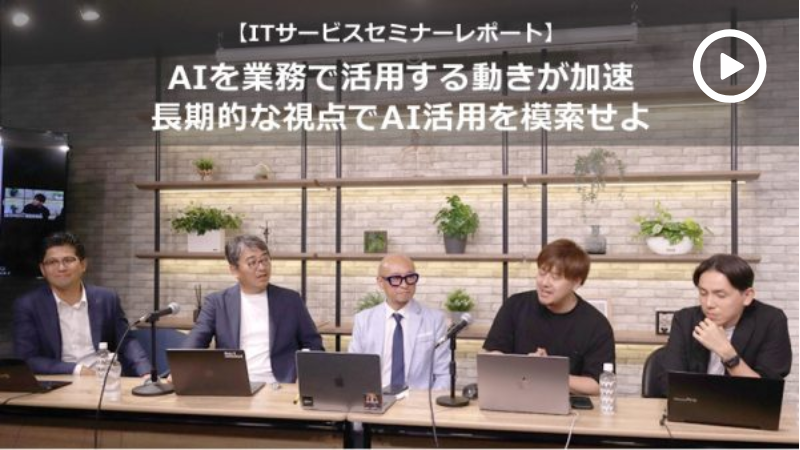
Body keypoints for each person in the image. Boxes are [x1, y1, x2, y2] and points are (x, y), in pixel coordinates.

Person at [183, 235, 323, 383]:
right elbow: (194, 344)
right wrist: (178, 370)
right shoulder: (217, 303)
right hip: (234, 385)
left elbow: (314, 345)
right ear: (234, 270)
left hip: (280, 384)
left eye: (265, 260)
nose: (262, 267)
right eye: (252, 262)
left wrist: (305, 375)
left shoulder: (291, 300)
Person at [483, 239, 614, 395]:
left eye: (555, 277)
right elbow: (489, 356)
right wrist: (525, 368)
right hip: (514, 397)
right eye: (542, 273)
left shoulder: (596, 325)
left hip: (569, 404)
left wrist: (549, 372)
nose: (544, 283)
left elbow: (597, 384)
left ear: (576, 282)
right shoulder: (515, 305)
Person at [13, 232, 151, 377]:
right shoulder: (28, 305)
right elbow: (27, 358)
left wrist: (146, 373)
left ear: (83, 265)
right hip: (61, 380)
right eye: (52, 262)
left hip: (105, 379)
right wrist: (77, 370)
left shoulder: (106, 298)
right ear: (43, 269)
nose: (61, 268)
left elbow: (126, 342)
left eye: (68, 260)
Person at [656, 254, 792, 396]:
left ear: (747, 296)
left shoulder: (771, 321)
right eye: (703, 293)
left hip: (743, 408)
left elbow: (767, 392)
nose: (709, 304)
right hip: (693, 406)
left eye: (720, 295)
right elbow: (669, 384)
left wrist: (727, 353)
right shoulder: (685, 319)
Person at [349, 254, 450, 390]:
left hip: (418, 399)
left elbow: (444, 374)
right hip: (376, 398)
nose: (404, 285)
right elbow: (353, 370)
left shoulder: (435, 320)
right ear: (380, 282)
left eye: (410, 277)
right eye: (396, 278)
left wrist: (428, 402)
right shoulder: (363, 320)